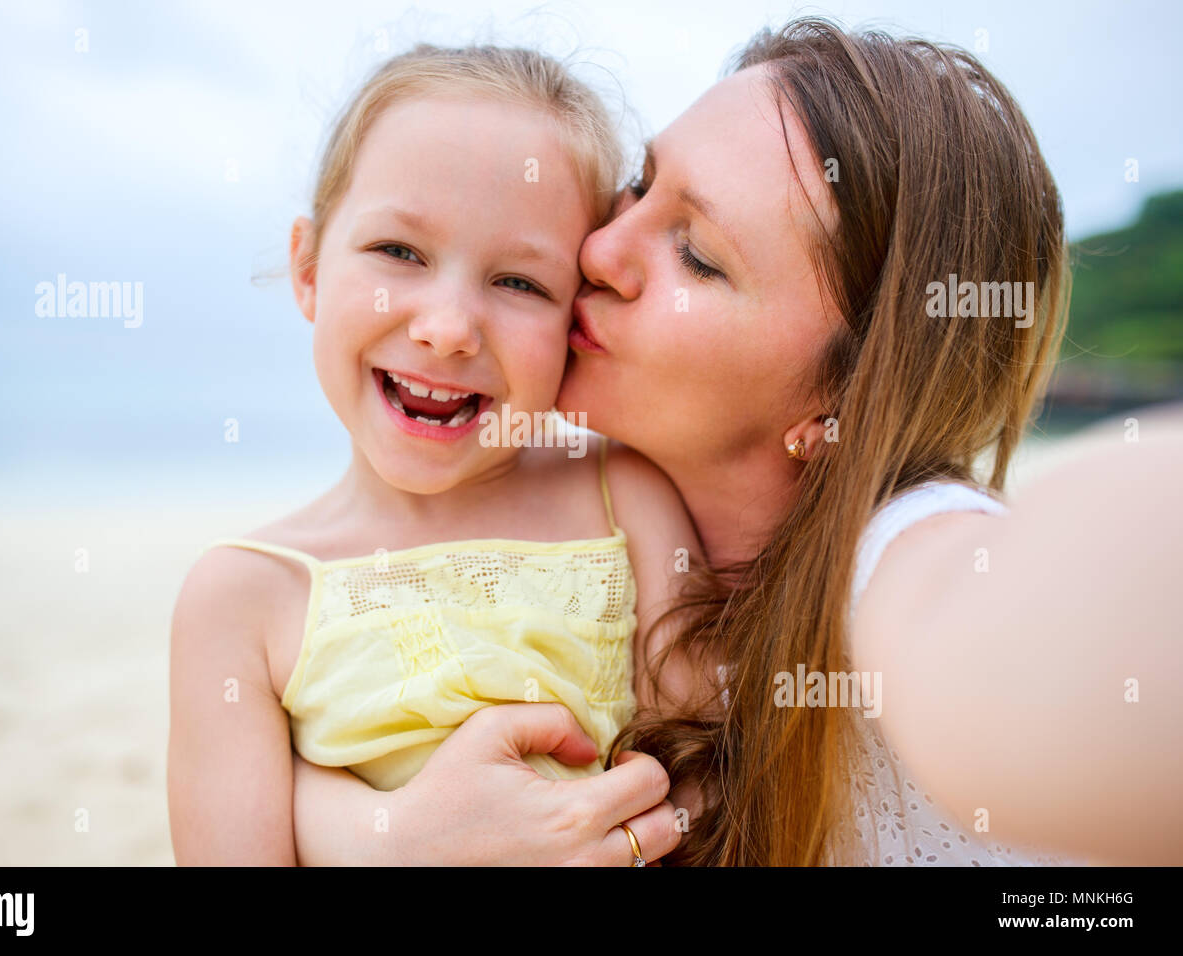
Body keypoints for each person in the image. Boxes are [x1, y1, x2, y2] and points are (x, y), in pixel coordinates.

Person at [288, 18, 1183, 867]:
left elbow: (1044, 633)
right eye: (639, 185)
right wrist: (379, 832)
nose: (597, 249)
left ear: (842, 399)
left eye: (700, 254)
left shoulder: (893, 568)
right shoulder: (582, 548)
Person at [166, 44, 699, 865]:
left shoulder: (623, 496)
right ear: (308, 268)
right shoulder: (240, 600)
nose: (447, 327)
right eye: (400, 253)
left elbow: (714, 783)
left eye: (520, 282)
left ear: (575, 322)